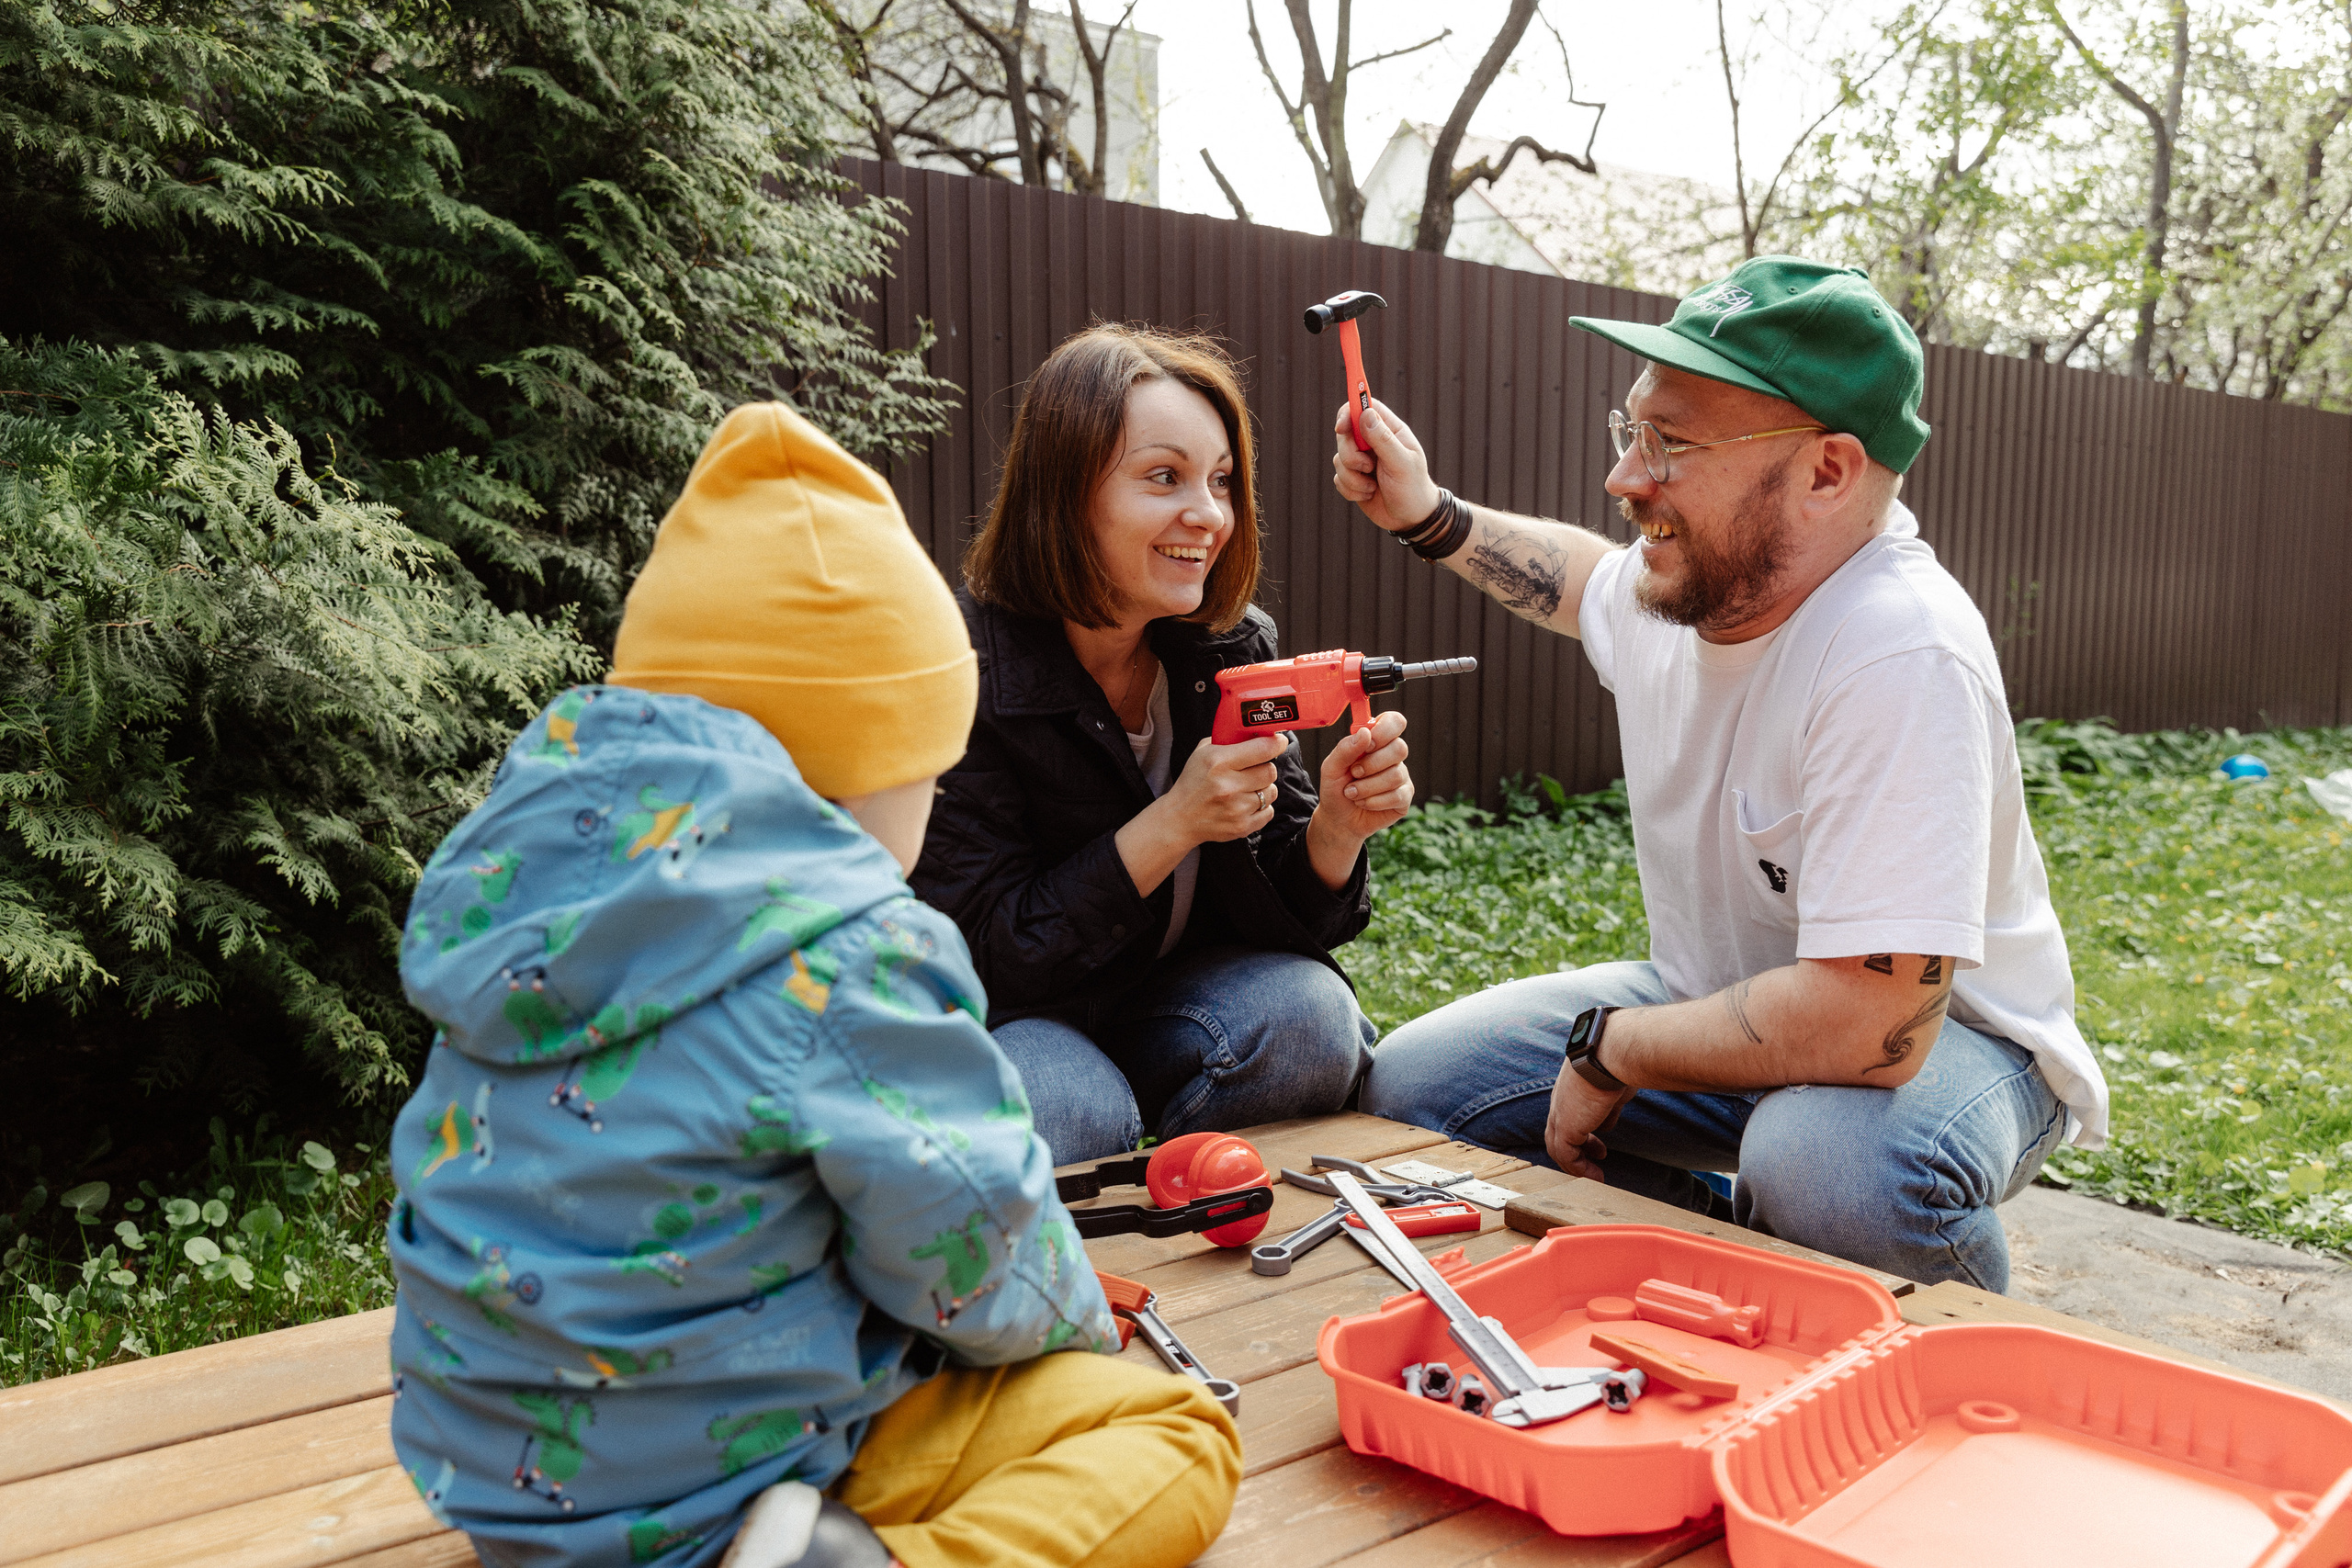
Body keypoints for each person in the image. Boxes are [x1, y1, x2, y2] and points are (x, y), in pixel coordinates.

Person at [384, 402, 1241, 1568]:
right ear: (863, 765)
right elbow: (973, 1244)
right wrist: (1067, 1341)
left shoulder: (520, 884)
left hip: (497, 1479)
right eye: (928, 775)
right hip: (715, 1481)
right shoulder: (848, 948)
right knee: (1173, 1436)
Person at [1335, 257, 2107, 1292]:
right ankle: (1720, 1262)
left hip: (1947, 1045)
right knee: (1412, 1088)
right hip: (1722, 1003)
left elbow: (1874, 1025)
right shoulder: (1699, 579)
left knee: (1829, 1165)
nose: (1625, 480)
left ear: (1828, 471)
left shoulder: (1898, 651)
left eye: (1673, 445)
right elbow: (1576, 581)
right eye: (1630, 432)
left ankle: (1980, 1377)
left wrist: (1621, 1050)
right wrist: (1430, 514)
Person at [910, 324, 1415, 1164]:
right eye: (1163, 477)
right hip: (1019, 1015)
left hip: (1171, 1000)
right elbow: (986, 956)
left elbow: (1285, 916)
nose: (1209, 514)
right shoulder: (962, 671)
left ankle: (1188, 1187)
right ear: (1064, 490)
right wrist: (1175, 821)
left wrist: (1336, 828)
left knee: (1309, 1021)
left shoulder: (1228, 646)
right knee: (1064, 1113)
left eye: (1220, 480)